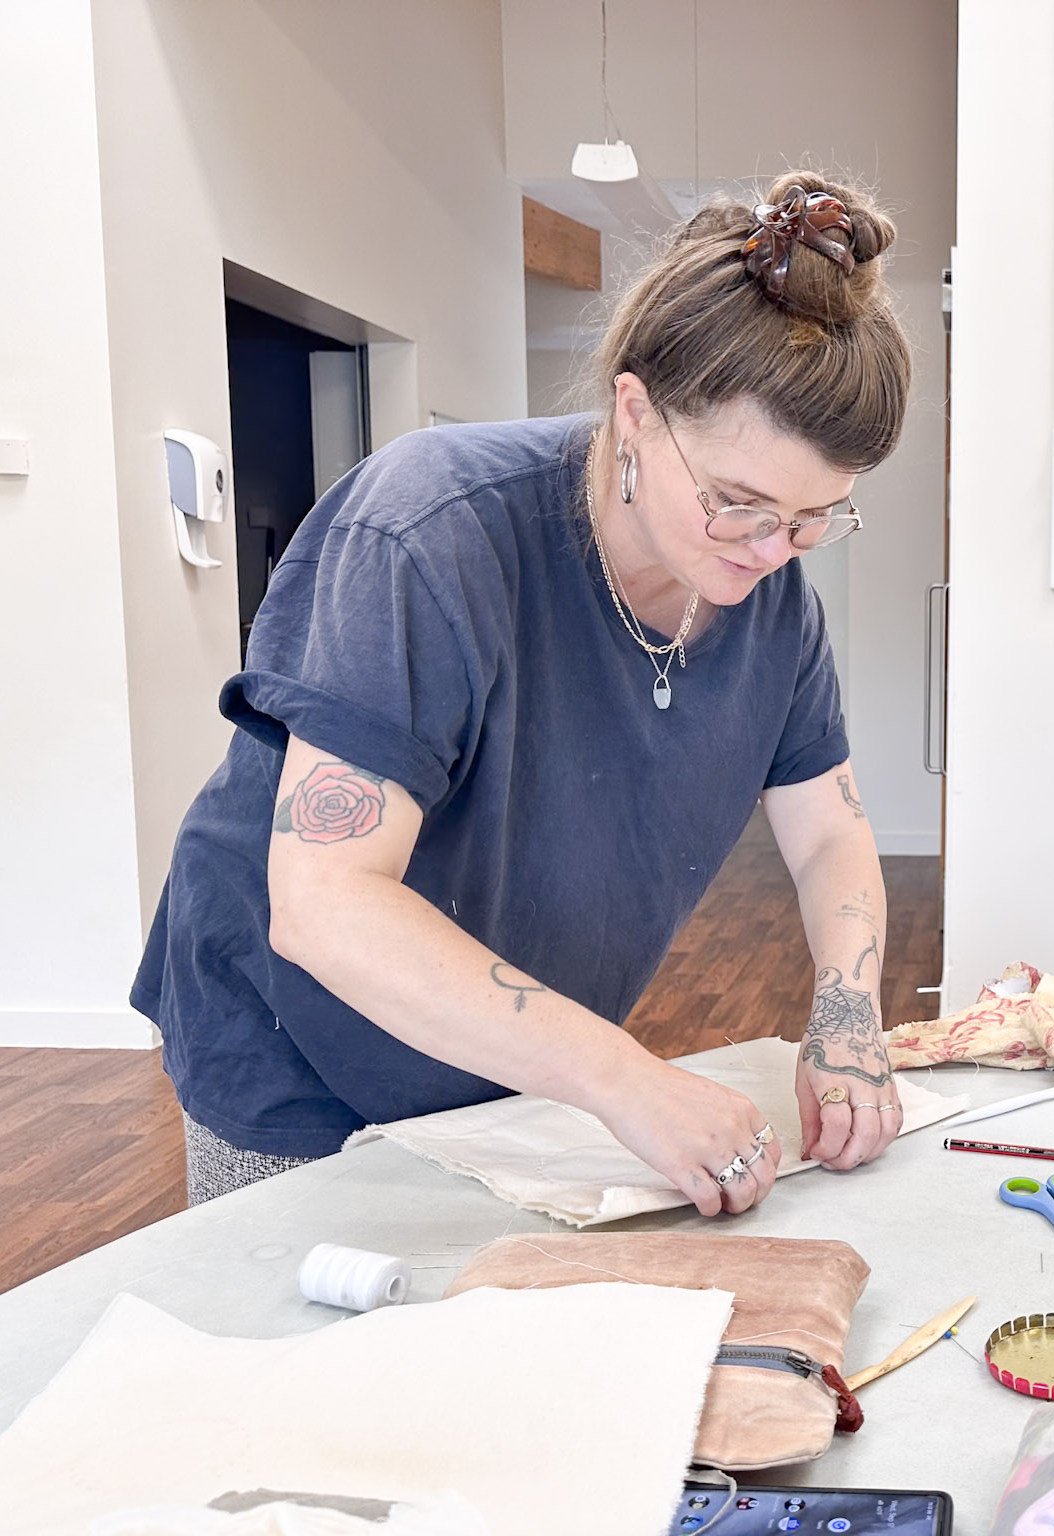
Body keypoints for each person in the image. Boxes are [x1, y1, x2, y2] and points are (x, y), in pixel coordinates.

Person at [133, 172, 913, 1212]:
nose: (774, 550)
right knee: (310, 1303)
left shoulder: (770, 600)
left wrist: (848, 1016)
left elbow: (826, 834)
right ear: (635, 414)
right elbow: (325, 903)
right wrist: (627, 1080)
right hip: (295, 1050)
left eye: (817, 518)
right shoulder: (429, 533)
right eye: (738, 502)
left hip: (509, 1060)